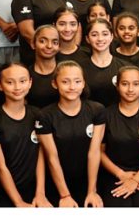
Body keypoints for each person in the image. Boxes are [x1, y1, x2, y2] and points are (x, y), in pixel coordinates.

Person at [36, 61, 105, 207]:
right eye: (65, 82)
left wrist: (91, 190)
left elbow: (94, 152)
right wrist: (65, 195)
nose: (72, 87)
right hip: (57, 184)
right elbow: (51, 157)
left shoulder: (97, 110)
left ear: (83, 83)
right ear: (55, 84)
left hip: (89, 181)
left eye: (77, 81)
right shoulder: (45, 115)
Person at [100, 65, 139, 207]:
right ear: (117, 86)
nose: (130, 89)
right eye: (125, 84)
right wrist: (121, 174)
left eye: (135, 84)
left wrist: (136, 180)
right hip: (115, 175)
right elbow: (99, 152)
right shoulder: (106, 114)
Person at [0, 62, 51, 207]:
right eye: (10, 82)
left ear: (30, 83)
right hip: (4, 194)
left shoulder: (37, 114)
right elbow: (0, 166)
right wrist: (18, 202)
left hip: (35, 191)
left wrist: (40, 193)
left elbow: (41, 155)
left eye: (22, 81)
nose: (17, 87)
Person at [79, 18, 131, 107]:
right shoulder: (79, 69)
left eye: (105, 34)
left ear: (111, 37)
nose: (100, 39)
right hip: (90, 119)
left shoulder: (125, 67)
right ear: (87, 38)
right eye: (94, 35)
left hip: (118, 118)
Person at [26, 25, 60, 109]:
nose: (49, 46)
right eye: (42, 41)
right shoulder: (25, 75)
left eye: (55, 42)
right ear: (33, 44)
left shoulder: (67, 71)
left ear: (59, 47)